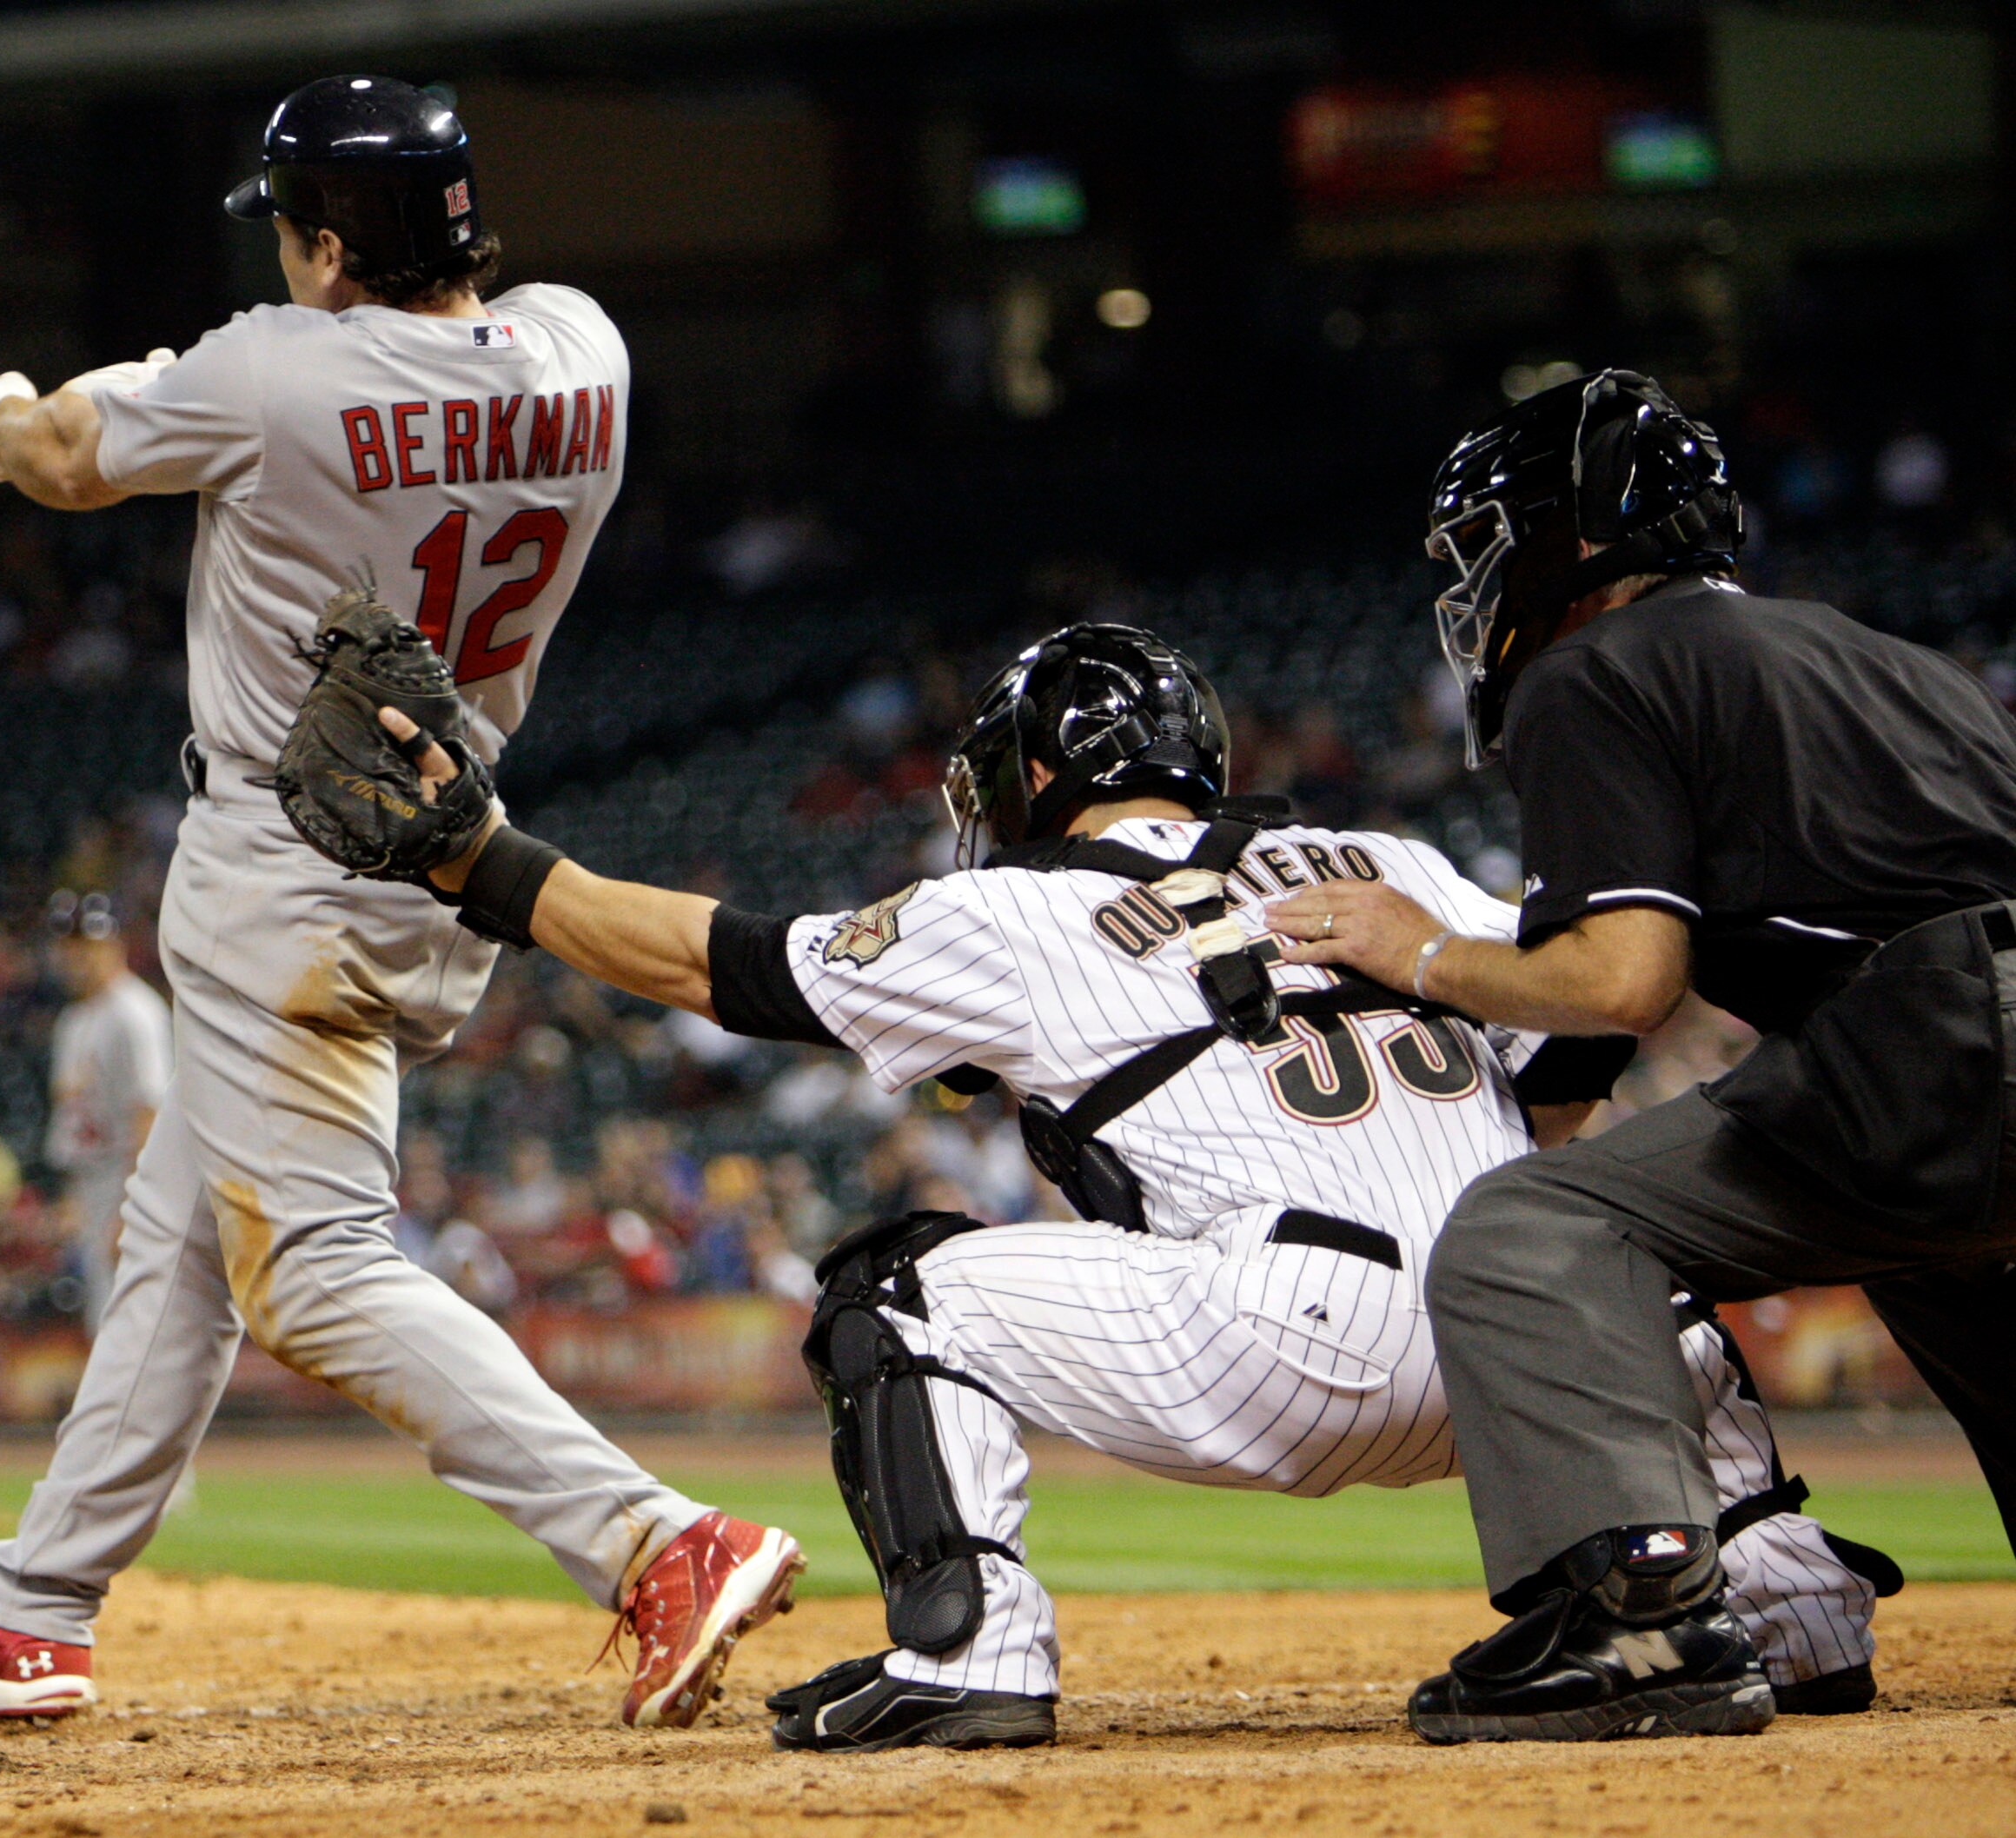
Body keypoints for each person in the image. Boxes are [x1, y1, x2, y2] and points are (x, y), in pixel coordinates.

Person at [314, 617, 1890, 1753]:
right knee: (1618, 1250)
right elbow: (1565, 1027)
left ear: (1033, 775)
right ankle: (1785, 1593)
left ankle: (968, 1651)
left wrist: (488, 868)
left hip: (1288, 1344)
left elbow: (719, 963)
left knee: (894, 1284)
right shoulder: (1384, 861)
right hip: (1524, 1348)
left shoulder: (1011, 908)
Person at [0, 75, 799, 1734]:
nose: (280, 257)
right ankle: (26, 1612)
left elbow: (59, 456)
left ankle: (654, 1540)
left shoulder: (273, 373)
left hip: (283, 863)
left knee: (317, 1268)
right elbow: (312, 392)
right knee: (179, 1246)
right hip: (444, 838)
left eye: (292, 233)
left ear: (333, 246)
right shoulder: (586, 347)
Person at [1270, 370, 2016, 1744]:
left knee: (1527, 1231)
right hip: (1961, 1049)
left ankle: (1642, 1622)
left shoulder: (1592, 670)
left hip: (1947, 1041)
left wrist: (1419, 950)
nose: (1483, 578)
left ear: (1574, 539)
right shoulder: (1889, 659)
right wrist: (1547, 1104)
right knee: (1948, 1254)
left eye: (1497, 539)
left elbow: (1622, 981)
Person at [41, 892, 172, 1330]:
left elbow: (150, 1115)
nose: (77, 956)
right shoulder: (74, 1020)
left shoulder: (136, 1013)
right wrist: (70, 1198)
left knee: (131, 1326)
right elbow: (71, 1117)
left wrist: (131, 1208)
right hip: (91, 1181)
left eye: (89, 944)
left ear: (115, 945)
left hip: (124, 1180)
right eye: (70, 945)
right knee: (104, 1322)